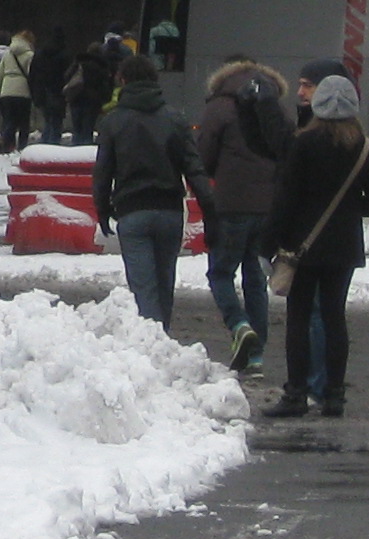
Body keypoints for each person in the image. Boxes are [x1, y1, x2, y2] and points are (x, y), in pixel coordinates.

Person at [265, 71, 369, 420]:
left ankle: (295, 395)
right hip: (344, 247)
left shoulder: (302, 144)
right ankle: (334, 396)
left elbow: (284, 199)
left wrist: (269, 241)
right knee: (335, 317)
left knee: (299, 318)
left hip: (302, 246)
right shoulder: (366, 147)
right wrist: (348, 213)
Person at [190, 52, 293, 372]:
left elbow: (202, 158)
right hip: (269, 206)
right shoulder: (275, 106)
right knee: (254, 276)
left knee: (220, 272)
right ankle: (256, 354)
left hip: (231, 204)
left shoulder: (218, 107)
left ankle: (239, 326)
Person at [91, 53, 196, 325]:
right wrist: (209, 207)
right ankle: (163, 340)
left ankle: (151, 345)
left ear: (122, 81)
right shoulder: (175, 118)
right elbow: (193, 166)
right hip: (170, 210)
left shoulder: (113, 121)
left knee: (143, 289)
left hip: (132, 211)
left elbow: (103, 171)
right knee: (164, 283)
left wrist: (102, 209)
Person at [0, 27, 40, 151]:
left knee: (9, 120)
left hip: (6, 90)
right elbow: (32, 74)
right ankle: (22, 147)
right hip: (23, 92)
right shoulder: (30, 55)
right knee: (24, 122)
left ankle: (6, 144)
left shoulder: (8, 54)